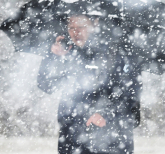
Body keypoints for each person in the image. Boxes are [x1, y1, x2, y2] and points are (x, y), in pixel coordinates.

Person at [37, 15, 141, 154]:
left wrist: (107, 114)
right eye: (71, 28)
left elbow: (132, 97)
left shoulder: (116, 52)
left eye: (81, 27)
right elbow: (45, 85)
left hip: (111, 140)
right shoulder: (68, 53)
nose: (76, 32)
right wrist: (52, 57)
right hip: (72, 137)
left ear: (94, 25)